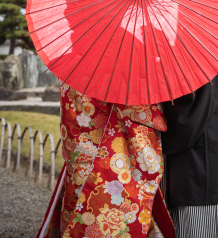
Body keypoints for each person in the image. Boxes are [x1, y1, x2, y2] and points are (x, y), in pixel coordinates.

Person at [37, 84, 171, 238]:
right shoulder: (114, 77)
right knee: (109, 223)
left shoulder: (71, 75)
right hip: (112, 164)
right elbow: (147, 114)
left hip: (79, 164)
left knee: (75, 218)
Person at [161, 68, 218, 238]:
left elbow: (187, 124)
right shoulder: (198, 55)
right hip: (205, 168)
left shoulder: (192, 61)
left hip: (202, 175)